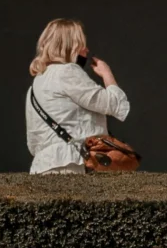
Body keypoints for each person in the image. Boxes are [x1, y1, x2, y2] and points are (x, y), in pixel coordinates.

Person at [24, 18, 129, 174]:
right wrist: (107, 74)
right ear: (69, 46)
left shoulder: (36, 84)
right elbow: (114, 104)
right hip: (71, 165)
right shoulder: (68, 73)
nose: (86, 50)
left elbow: (33, 142)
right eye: (81, 44)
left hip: (43, 167)